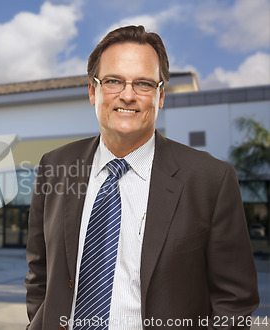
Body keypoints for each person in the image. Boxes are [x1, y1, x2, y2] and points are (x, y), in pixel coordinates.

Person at [24, 25, 259, 330]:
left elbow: (235, 300)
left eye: (144, 84)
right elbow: (38, 272)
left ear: (160, 96)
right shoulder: (55, 166)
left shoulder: (210, 180)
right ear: (93, 91)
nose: (127, 95)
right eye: (113, 81)